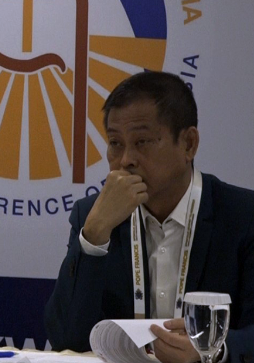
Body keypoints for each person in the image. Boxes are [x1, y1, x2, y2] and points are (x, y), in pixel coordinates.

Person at [44, 71, 254, 363]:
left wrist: (212, 348)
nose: (126, 159)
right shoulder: (94, 215)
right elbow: (66, 340)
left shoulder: (243, 216)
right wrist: (93, 236)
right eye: (115, 143)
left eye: (141, 142)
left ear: (189, 144)